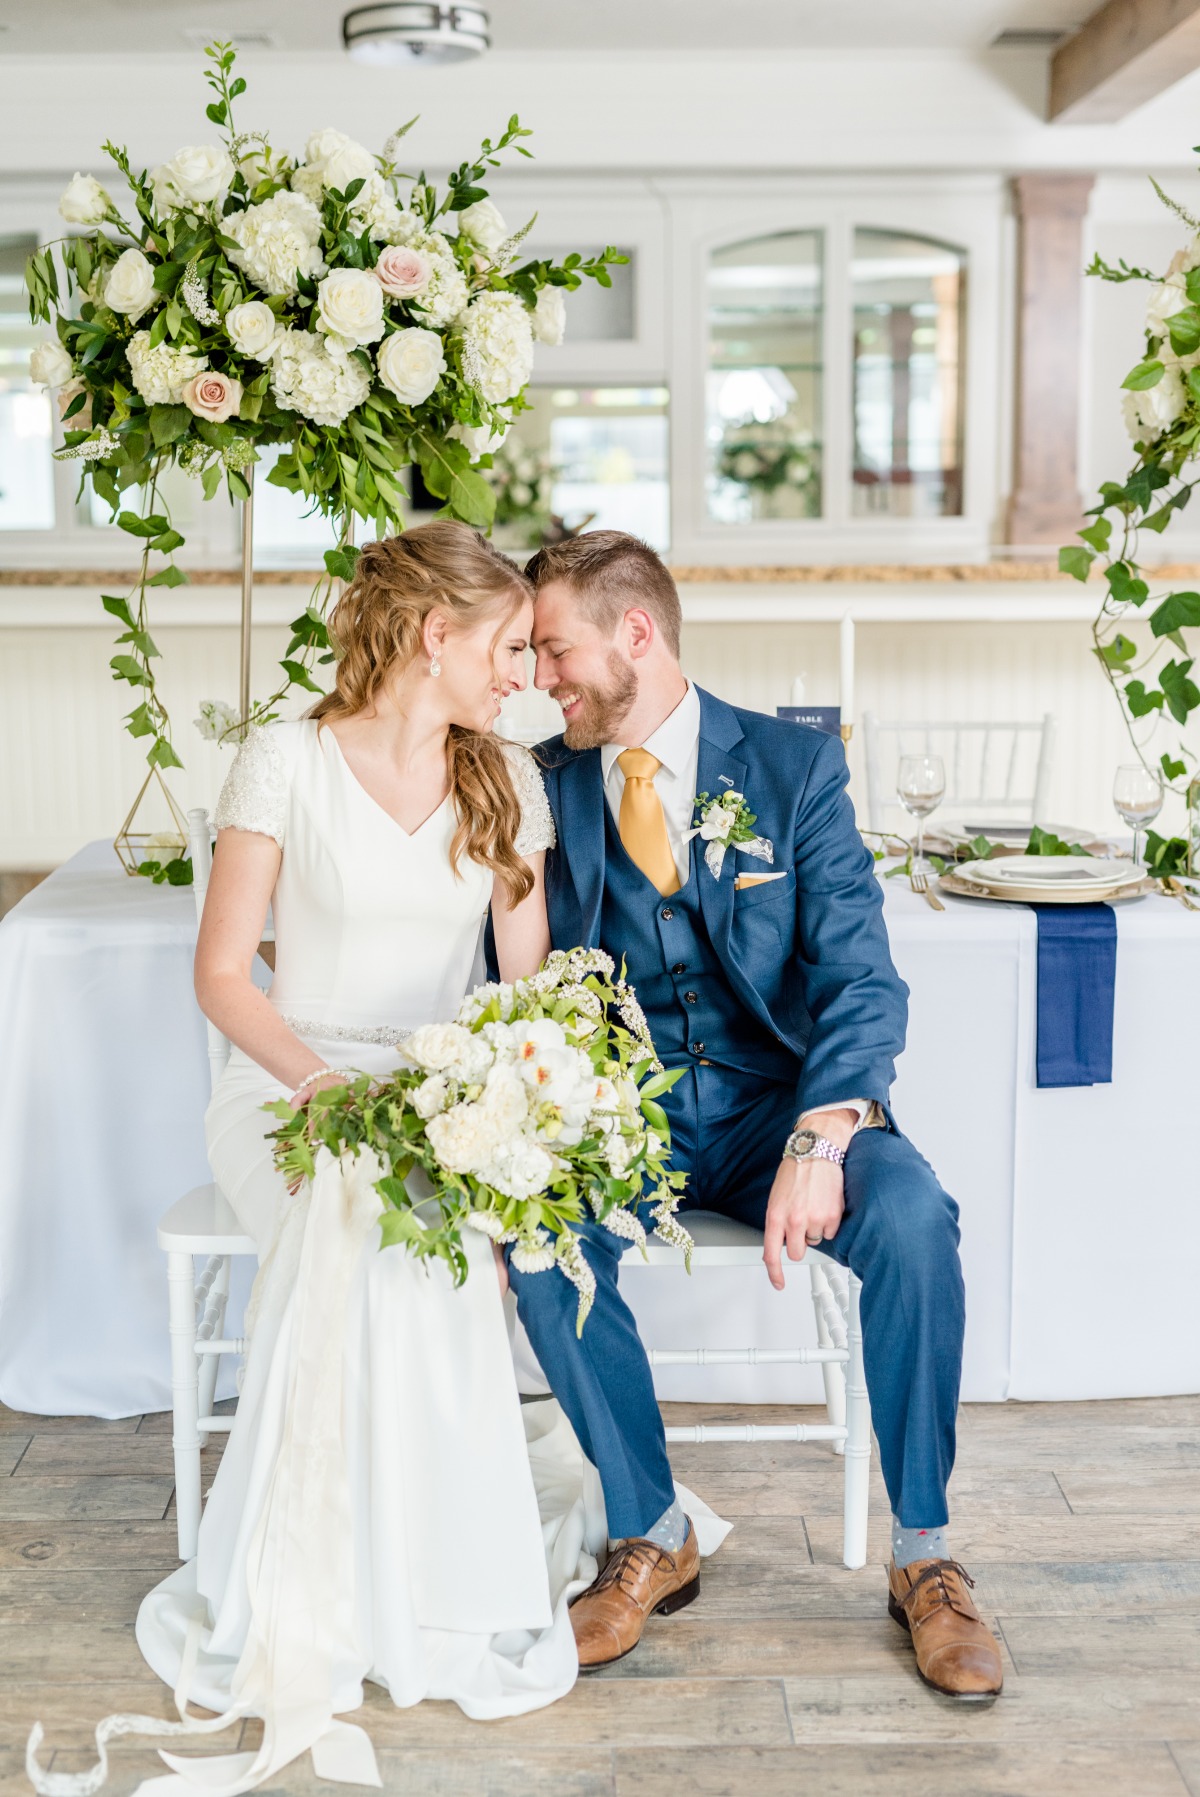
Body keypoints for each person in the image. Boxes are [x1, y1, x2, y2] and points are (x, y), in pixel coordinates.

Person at [28, 522, 727, 1797]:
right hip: (286, 1082)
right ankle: (315, 1578)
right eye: (510, 645)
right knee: (349, 1196)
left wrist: (512, 1097)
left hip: (441, 1090)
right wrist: (321, 1086)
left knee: (432, 1220)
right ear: (433, 636)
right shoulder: (284, 761)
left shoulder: (504, 777)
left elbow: (527, 991)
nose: (526, 673)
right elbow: (223, 977)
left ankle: (433, 1574)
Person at [506, 529, 1003, 1701]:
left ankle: (925, 1554)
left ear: (637, 633)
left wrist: (822, 1136)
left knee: (917, 1219)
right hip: (621, 1116)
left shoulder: (792, 767)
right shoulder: (545, 782)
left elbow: (862, 978)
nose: (540, 677)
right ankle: (649, 1528)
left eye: (555, 648)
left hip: (782, 1108)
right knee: (541, 1240)